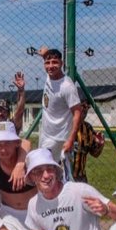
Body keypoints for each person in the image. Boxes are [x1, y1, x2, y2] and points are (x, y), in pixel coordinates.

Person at [36, 47, 83, 176]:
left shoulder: (67, 86)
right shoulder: (49, 76)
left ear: (61, 63)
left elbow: (77, 112)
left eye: (55, 62)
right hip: (45, 133)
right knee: (44, 169)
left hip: (58, 138)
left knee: (49, 171)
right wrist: (44, 54)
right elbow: (47, 59)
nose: (50, 66)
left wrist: (71, 139)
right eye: (47, 63)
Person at [70, 100, 104, 184]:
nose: (85, 110)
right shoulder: (65, 125)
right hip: (63, 175)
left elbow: (95, 154)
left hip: (80, 177)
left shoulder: (88, 128)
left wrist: (100, 144)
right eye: (83, 106)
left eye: (87, 107)